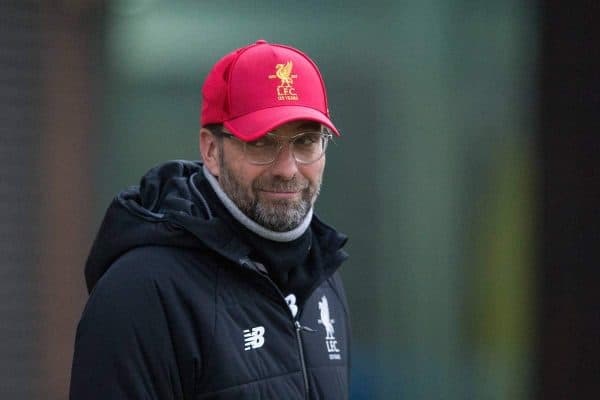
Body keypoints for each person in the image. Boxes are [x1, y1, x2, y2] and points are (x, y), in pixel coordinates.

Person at [70, 40, 350, 399]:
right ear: (212, 150)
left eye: (306, 142)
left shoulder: (323, 279)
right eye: (261, 142)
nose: (287, 168)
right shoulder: (142, 292)